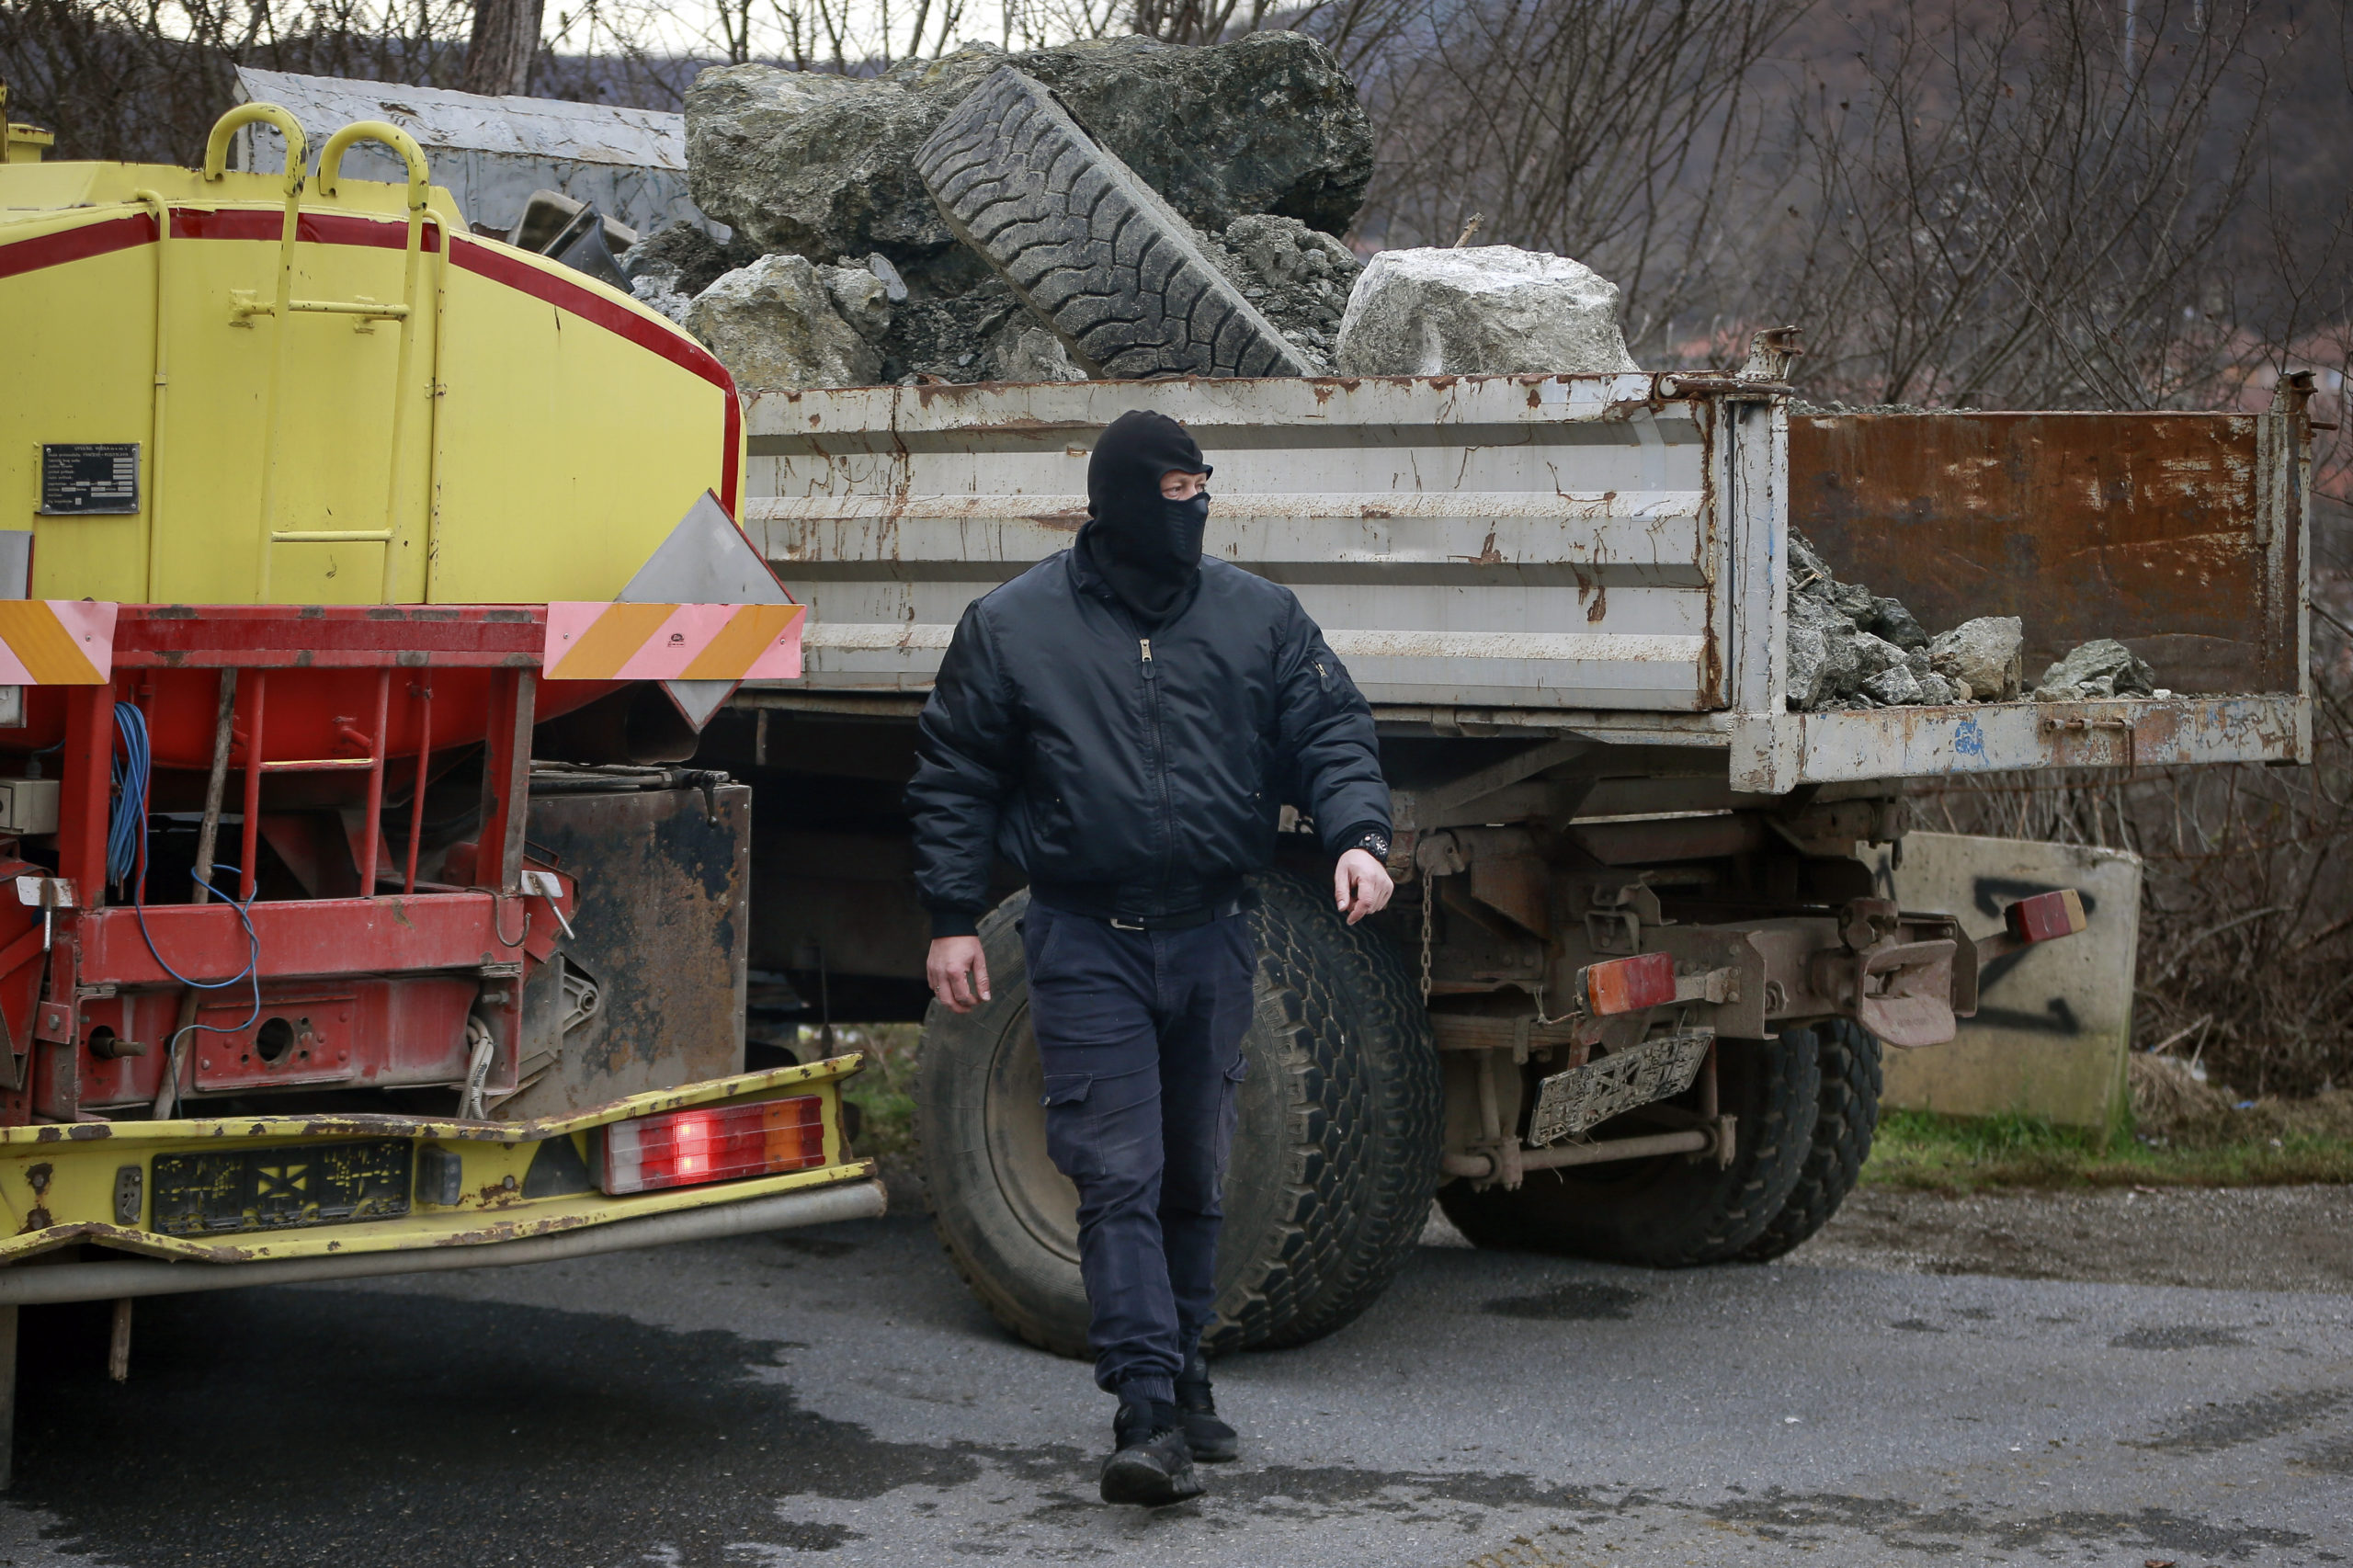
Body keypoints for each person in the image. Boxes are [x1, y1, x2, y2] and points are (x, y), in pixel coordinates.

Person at [907, 409, 1394, 1506]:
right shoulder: (1014, 625)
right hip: (1084, 937)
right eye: (1174, 490)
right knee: (1115, 1169)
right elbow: (954, 776)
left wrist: (1360, 836)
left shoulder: (1257, 615)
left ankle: (1186, 1360)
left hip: (1215, 928)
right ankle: (1144, 1410)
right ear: (1120, 500)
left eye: (1203, 487)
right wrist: (949, 917)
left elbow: (1332, 733)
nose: (1196, 508)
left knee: (1194, 1168)